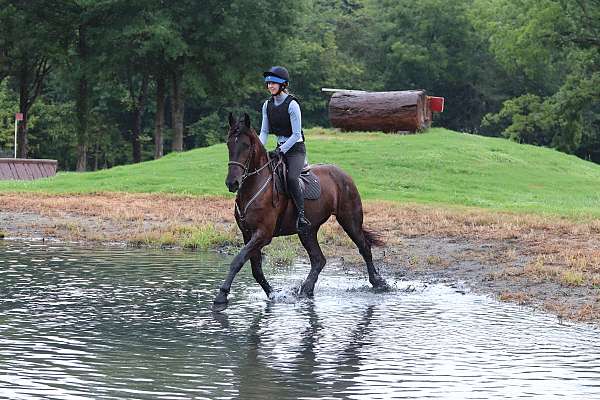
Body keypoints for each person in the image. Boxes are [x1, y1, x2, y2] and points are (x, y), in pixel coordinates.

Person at [259, 66, 311, 233]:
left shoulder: (292, 104)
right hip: (279, 148)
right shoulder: (267, 105)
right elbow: (264, 131)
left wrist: (281, 151)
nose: (270, 86)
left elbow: (296, 134)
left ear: (283, 84)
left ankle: (302, 216)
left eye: (273, 83)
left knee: (291, 178)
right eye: (268, 83)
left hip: (295, 150)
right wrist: (260, 149)